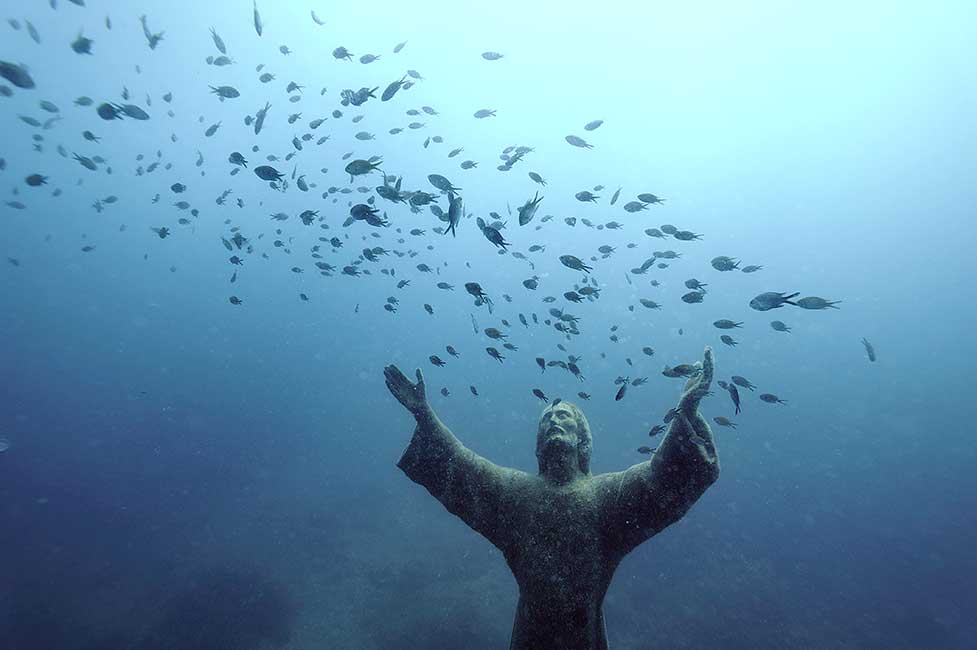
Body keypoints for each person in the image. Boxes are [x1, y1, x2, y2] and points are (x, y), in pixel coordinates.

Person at [384, 347, 720, 650]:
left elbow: (658, 479)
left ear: (581, 439)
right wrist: (424, 415)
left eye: (563, 417)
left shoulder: (607, 497)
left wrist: (686, 409)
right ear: (538, 441)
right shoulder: (514, 494)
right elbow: (462, 467)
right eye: (546, 419)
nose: (553, 422)